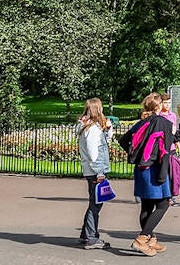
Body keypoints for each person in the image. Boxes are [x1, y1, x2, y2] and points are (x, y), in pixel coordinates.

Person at [119, 93, 177, 256]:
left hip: (141, 167)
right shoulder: (164, 123)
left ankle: (151, 239)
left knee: (146, 206)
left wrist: (136, 155)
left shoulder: (142, 123)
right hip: (156, 168)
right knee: (163, 204)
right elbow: (167, 147)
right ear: (158, 106)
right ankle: (142, 239)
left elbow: (124, 140)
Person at [76, 98, 113, 250]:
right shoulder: (91, 129)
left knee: (95, 202)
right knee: (95, 204)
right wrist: (100, 173)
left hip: (91, 170)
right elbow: (93, 153)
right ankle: (91, 237)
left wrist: (109, 129)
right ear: (97, 109)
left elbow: (106, 142)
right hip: (95, 171)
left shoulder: (88, 126)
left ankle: (86, 234)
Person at [158, 95, 180, 207]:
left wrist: (179, 147)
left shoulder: (172, 115)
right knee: (164, 173)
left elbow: (175, 134)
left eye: (169, 103)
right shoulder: (158, 116)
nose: (167, 105)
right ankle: (167, 197)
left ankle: (171, 196)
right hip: (162, 149)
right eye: (165, 103)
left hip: (172, 148)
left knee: (173, 173)